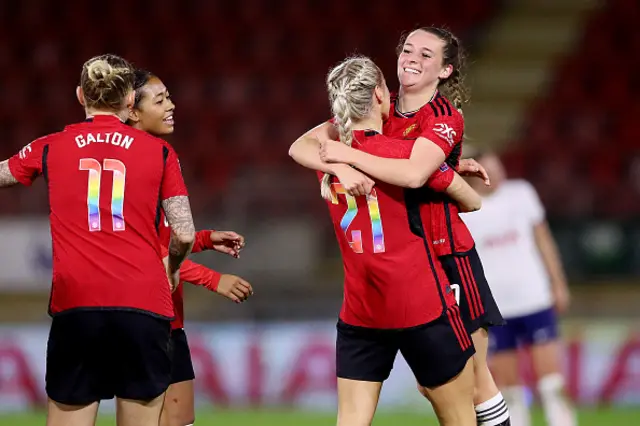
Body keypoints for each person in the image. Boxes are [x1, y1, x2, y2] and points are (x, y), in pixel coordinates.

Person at [290, 26, 510, 426]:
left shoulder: (442, 116)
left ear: (445, 71)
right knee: (441, 388)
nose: (412, 57)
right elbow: (413, 170)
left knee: (475, 382)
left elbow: (413, 172)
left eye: (427, 55)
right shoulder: (381, 114)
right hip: (408, 270)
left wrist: (345, 154)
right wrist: (339, 161)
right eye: (408, 49)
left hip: (446, 256)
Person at [0, 54, 195, 426]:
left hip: (77, 304)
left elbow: (3, 173)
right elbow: (184, 231)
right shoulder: (161, 152)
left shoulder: (49, 146)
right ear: (127, 102)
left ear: (79, 96)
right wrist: (172, 265)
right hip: (144, 304)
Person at [127, 69, 254, 426]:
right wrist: (215, 280)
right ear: (132, 111)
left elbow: (163, 237)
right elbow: (148, 252)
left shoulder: (158, 154)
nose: (171, 105)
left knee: (179, 419)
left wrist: (206, 238)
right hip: (143, 313)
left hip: (168, 317)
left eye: (169, 96)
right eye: (160, 99)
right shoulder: (145, 160)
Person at [462, 150, 576, 426]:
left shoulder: (521, 193)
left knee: (551, 384)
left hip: (534, 297)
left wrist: (558, 282)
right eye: (490, 170)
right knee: (510, 391)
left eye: (499, 168)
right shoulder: (466, 209)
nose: (497, 175)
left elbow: (543, 239)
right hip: (496, 307)